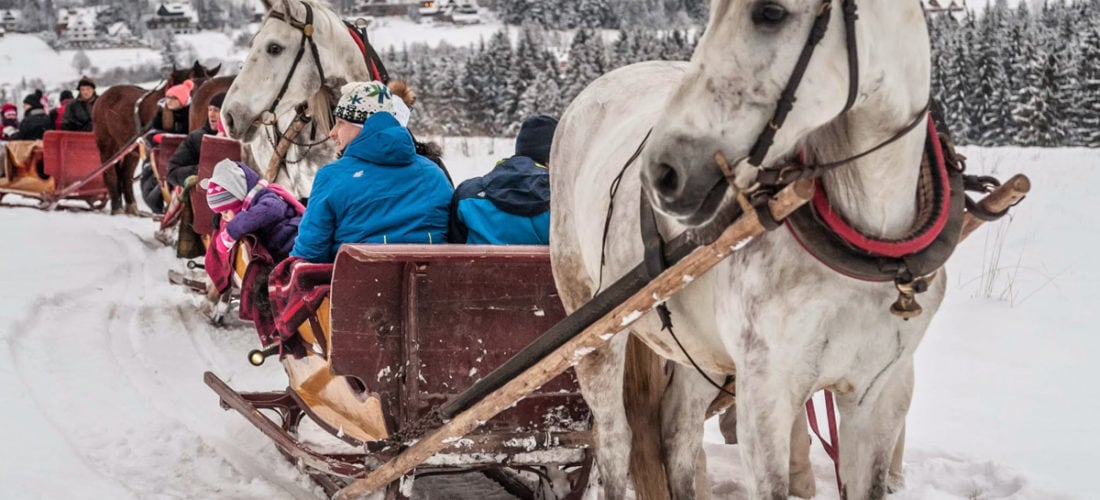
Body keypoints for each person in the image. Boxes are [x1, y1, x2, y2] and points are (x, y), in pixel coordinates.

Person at [290, 81, 452, 263]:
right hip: (428, 286)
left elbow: (309, 255)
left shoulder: (332, 177)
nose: (332, 133)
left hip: (356, 287)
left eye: (341, 123)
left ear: (364, 126)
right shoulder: (433, 174)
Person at [449, 115, 557, 245]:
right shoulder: (563, 202)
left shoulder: (467, 194)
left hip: (477, 265)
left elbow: (453, 243)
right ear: (552, 157)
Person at [203, 159, 303, 263]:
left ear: (240, 199)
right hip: (280, 247)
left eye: (225, 211)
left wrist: (232, 231)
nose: (224, 216)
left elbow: (270, 210)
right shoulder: (247, 205)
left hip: (294, 240)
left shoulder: (267, 198)